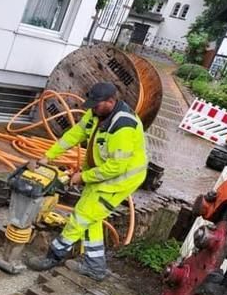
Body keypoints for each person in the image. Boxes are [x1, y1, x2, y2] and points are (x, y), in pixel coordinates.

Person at [26, 82, 147, 281]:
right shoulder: (98, 113)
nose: (92, 108)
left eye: (96, 105)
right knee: (92, 219)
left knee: (80, 217)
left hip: (119, 181)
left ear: (111, 101)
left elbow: (116, 167)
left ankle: (52, 257)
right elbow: (76, 134)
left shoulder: (123, 127)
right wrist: (48, 156)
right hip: (103, 174)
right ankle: (96, 267)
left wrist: (83, 176)